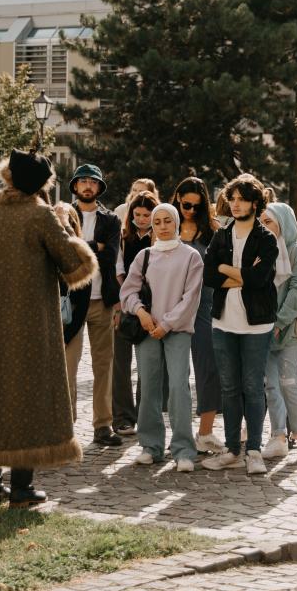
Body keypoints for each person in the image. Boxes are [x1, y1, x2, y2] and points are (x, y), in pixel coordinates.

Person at [0, 151, 93, 505]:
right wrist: (71, 236)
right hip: (32, 322)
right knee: (28, 398)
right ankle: (21, 487)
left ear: (7, 176)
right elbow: (75, 265)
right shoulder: (40, 214)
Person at [200, 174, 279, 474]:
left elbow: (260, 280)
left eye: (242, 199)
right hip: (223, 322)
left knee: (252, 387)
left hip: (257, 324)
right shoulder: (221, 235)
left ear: (255, 203)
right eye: (232, 199)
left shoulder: (266, 238)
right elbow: (209, 276)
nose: (235, 204)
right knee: (230, 388)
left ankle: (254, 450)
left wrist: (228, 272)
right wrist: (240, 273)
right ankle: (232, 450)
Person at [120, 202, 203, 471]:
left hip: (176, 331)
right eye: (158, 222)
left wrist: (165, 325)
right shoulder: (144, 256)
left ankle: (183, 450)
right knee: (149, 388)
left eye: (168, 221)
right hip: (146, 330)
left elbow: (190, 299)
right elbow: (128, 293)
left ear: (176, 222)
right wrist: (142, 314)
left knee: (179, 388)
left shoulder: (191, 257)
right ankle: (151, 446)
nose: (163, 226)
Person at [63, 163, 124, 448]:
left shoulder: (110, 220)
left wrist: (81, 245)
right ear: (75, 186)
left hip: (103, 300)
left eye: (93, 182)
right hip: (72, 301)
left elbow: (110, 255)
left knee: (104, 366)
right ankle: (66, 426)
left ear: (99, 187)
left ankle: (103, 425)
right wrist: (93, 246)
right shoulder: (63, 215)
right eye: (83, 181)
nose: (88, 186)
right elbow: (62, 255)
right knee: (68, 367)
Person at [261, 200, 297, 464]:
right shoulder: (262, 251)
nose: (264, 227)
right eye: (262, 222)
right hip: (263, 330)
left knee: (288, 383)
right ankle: (278, 438)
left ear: (283, 223)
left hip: (290, 330)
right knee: (271, 385)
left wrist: (279, 322)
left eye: (268, 222)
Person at [172, 177, 223, 453]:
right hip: (170, 308)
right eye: (185, 204)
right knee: (174, 376)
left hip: (204, 307)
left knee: (208, 369)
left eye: (196, 205)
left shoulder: (212, 232)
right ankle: (178, 435)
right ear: (177, 199)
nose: (190, 210)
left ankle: (205, 433)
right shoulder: (168, 225)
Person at [112, 192, 157, 437]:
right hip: (125, 304)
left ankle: (144, 414)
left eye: (146, 215)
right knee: (120, 363)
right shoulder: (122, 238)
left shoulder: (160, 238)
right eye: (137, 215)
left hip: (153, 308)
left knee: (147, 364)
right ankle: (122, 417)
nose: (141, 219)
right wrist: (124, 302)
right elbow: (117, 271)